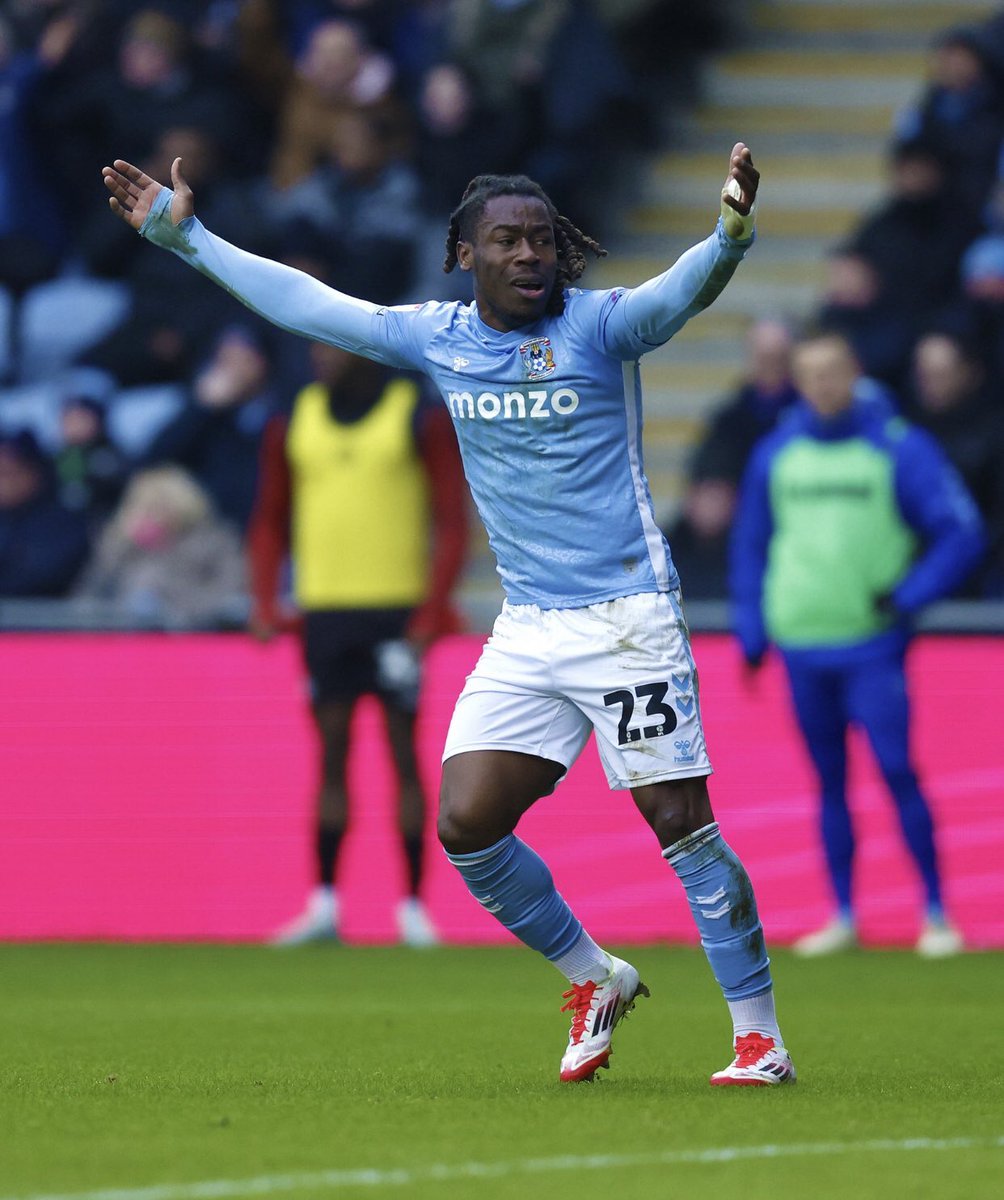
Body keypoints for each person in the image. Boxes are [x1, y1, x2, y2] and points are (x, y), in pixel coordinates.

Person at [102, 141, 798, 1087]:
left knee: (680, 822)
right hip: (530, 625)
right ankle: (594, 977)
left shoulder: (598, 329)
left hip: (628, 615)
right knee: (467, 825)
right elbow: (311, 304)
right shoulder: (438, 336)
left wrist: (729, 234)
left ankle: (758, 1037)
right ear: (464, 255)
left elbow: (677, 296)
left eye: (542, 240)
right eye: (507, 240)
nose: (529, 254)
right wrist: (190, 244)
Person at [730, 330, 986, 959]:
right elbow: (751, 545)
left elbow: (961, 532)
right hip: (802, 642)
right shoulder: (777, 453)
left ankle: (936, 912)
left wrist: (908, 595)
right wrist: (752, 629)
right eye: (810, 374)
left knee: (898, 770)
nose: (823, 385)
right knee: (829, 782)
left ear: (855, 373)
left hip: (872, 644)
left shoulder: (898, 447)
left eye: (833, 372)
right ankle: (842, 913)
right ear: (797, 380)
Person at [248, 341, 468, 946]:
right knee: (331, 753)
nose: (318, 355)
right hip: (325, 613)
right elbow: (269, 517)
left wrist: (432, 607)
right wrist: (266, 599)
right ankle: (324, 906)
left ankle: (413, 910)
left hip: (395, 613)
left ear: (361, 348)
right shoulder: (294, 419)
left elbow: (452, 518)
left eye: (330, 344)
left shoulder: (414, 414)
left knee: (404, 754)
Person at [75, 464, 247, 629]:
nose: (151, 517)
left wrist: (172, 603)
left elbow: (231, 598)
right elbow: (86, 601)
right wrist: (124, 547)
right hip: (123, 646)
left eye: (159, 508)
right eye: (143, 507)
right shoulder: (120, 545)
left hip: (198, 642)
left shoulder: (216, 542)